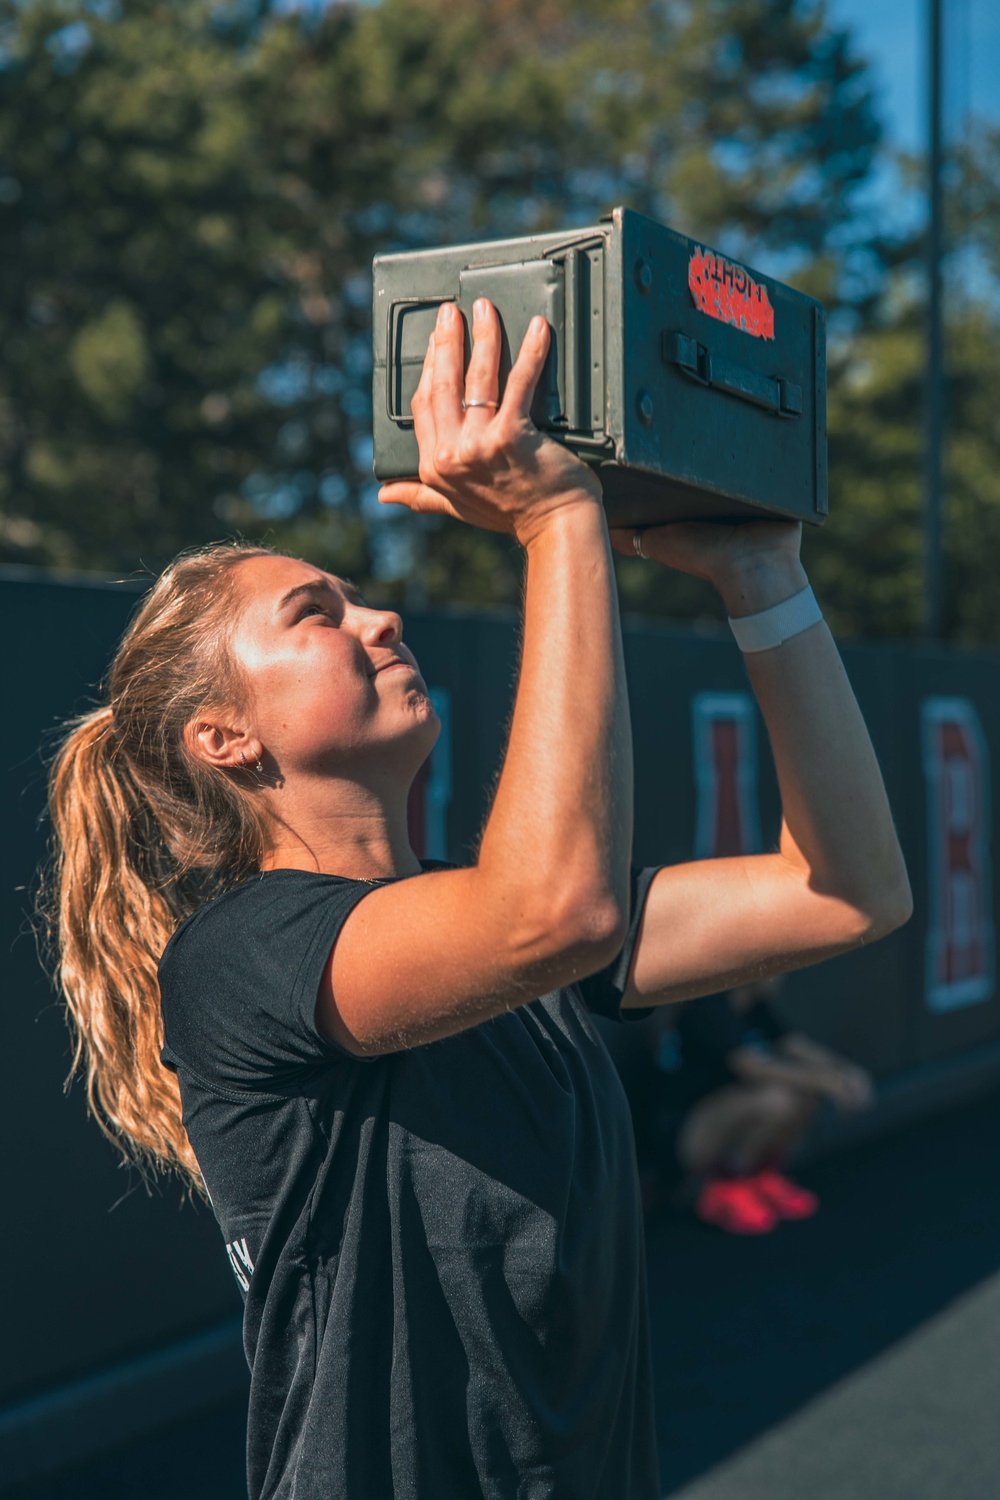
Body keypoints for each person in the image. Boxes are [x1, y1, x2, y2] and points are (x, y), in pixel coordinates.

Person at [43, 299, 911, 1500]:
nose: (377, 614)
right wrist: (559, 521)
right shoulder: (240, 956)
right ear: (224, 738)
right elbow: (551, 912)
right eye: (318, 615)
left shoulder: (493, 921)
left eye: (355, 595)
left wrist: (764, 579)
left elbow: (844, 894)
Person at [639, 977, 875, 1234]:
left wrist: (847, 1073)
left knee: (803, 1096)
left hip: (719, 1121)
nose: (782, 972)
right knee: (778, 1099)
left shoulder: (755, 1007)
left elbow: (796, 1046)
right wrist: (830, 1083)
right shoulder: (709, 1007)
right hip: (684, 1134)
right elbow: (752, 1066)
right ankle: (727, 1188)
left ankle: (759, 1177)